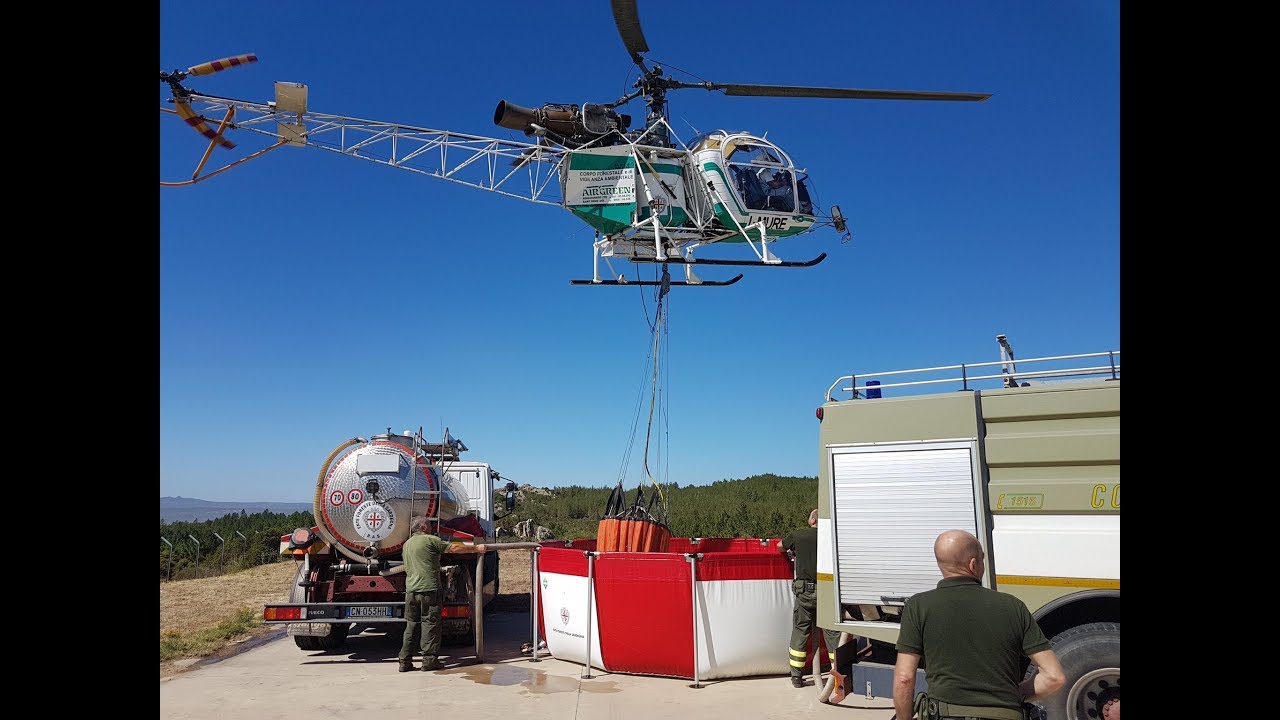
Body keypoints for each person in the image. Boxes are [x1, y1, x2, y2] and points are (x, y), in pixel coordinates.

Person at [893, 530, 1065, 719]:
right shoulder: (1013, 606)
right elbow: (1054, 677)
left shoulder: (918, 606)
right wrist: (1015, 693)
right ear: (973, 564)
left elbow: (904, 679)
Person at [398, 516, 488, 672]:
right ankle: (429, 661)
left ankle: (404, 661)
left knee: (411, 625)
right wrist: (476, 548)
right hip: (429, 589)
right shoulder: (429, 540)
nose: (432, 527)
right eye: (429, 525)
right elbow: (454, 548)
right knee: (430, 624)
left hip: (411, 591)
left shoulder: (407, 544)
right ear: (423, 528)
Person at [780, 508, 842, 688]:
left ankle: (797, 677)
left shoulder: (799, 535)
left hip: (805, 594)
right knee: (832, 634)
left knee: (801, 631)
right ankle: (838, 675)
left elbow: (780, 546)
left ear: (813, 520)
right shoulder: (832, 537)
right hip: (827, 592)